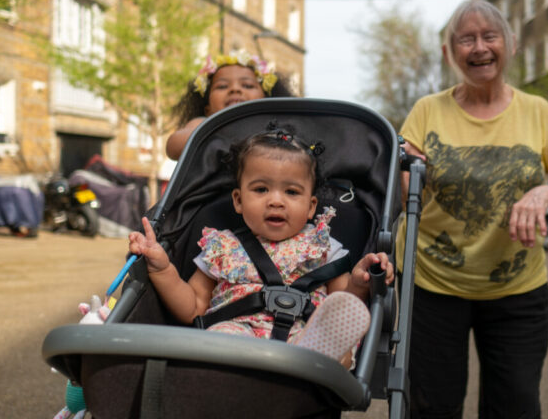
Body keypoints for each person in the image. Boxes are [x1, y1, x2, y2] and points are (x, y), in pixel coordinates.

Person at [397, 0, 548, 418]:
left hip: (517, 290)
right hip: (433, 285)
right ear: (450, 53)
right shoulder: (427, 111)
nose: (479, 47)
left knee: (516, 407)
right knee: (433, 407)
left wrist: (546, 193)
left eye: (490, 36)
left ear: (511, 44)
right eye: (466, 39)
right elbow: (400, 193)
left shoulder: (537, 111)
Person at [131, 125, 394, 365]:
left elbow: (343, 303)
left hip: (304, 335)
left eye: (291, 192)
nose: (276, 201)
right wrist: (162, 268)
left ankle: (318, 358)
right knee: (217, 337)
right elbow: (193, 307)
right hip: (237, 335)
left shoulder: (322, 247)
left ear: (311, 206)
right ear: (238, 200)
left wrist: (360, 283)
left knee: (333, 332)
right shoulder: (222, 247)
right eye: (261, 190)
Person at [166, 49, 295, 160]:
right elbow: (174, 146)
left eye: (247, 85)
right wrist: (216, 134)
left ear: (267, 101)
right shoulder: (202, 125)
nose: (235, 89)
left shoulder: (275, 130)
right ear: (207, 109)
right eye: (222, 86)